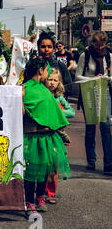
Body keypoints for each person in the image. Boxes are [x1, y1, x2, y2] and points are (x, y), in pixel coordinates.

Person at [22, 46, 70, 217]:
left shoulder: (44, 90)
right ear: (41, 71)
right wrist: (20, 98)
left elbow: (53, 114)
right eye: (46, 72)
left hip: (47, 137)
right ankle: (29, 202)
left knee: (43, 170)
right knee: (30, 171)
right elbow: (21, 113)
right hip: (31, 137)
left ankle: (40, 197)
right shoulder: (26, 88)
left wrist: (61, 133)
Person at [75, 31, 112, 176]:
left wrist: (106, 78)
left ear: (105, 43)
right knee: (90, 126)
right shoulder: (86, 55)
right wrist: (92, 79)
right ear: (92, 43)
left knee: (105, 126)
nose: (99, 47)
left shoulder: (109, 56)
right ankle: (91, 159)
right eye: (96, 44)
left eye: (101, 44)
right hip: (89, 93)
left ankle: (108, 163)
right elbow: (78, 76)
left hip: (104, 93)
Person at [44, 67, 75, 204]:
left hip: (56, 136)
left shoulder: (59, 97)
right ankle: (40, 191)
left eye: (55, 80)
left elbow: (71, 112)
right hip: (43, 134)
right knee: (42, 164)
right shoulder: (42, 94)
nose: (52, 82)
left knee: (54, 166)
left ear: (59, 83)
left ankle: (50, 193)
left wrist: (57, 113)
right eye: (49, 79)